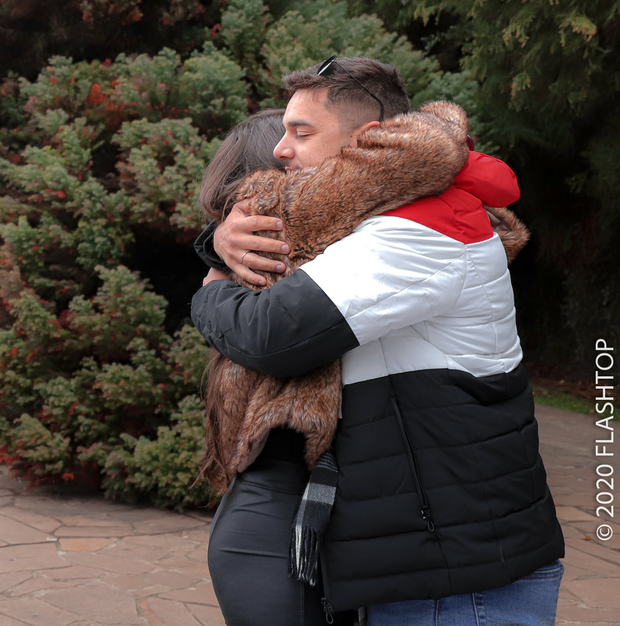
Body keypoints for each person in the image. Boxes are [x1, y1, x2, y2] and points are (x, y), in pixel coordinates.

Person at [191, 57, 565, 625]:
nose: (282, 151)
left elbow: (272, 334)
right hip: (425, 564)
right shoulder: (383, 223)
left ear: (366, 138)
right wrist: (219, 239)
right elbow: (299, 242)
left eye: (301, 133)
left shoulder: (422, 227)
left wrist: (211, 287)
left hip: (464, 580)